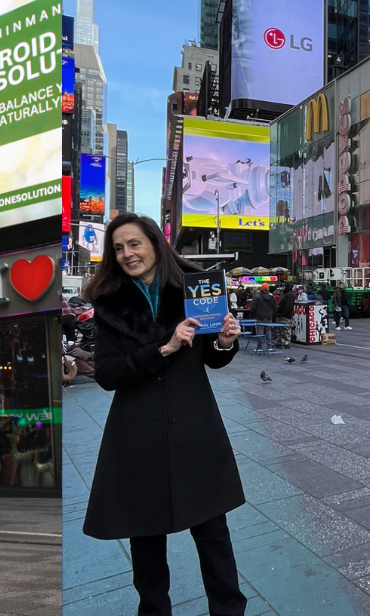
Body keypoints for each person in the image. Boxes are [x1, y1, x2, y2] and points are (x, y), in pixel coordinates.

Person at [82, 213, 247, 616]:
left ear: (155, 244)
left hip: (194, 428)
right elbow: (106, 374)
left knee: (213, 533)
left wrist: (224, 342)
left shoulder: (192, 288)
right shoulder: (109, 303)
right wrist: (163, 350)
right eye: (118, 248)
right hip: (137, 436)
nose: (126, 254)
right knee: (146, 540)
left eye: (134, 244)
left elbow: (210, 357)